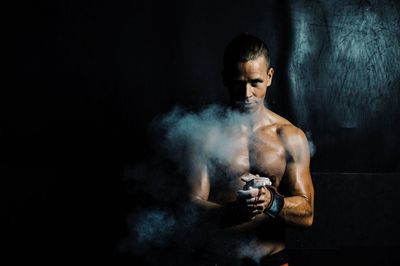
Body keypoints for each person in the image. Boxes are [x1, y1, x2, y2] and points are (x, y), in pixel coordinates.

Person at [187, 33, 314, 266]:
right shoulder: (205, 136)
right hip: (219, 260)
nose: (247, 94)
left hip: (272, 260)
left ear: (269, 77)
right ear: (226, 79)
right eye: (238, 83)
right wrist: (235, 211)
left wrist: (271, 202)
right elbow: (191, 210)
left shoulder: (290, 137)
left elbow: (307, 215)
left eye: (255, 82)